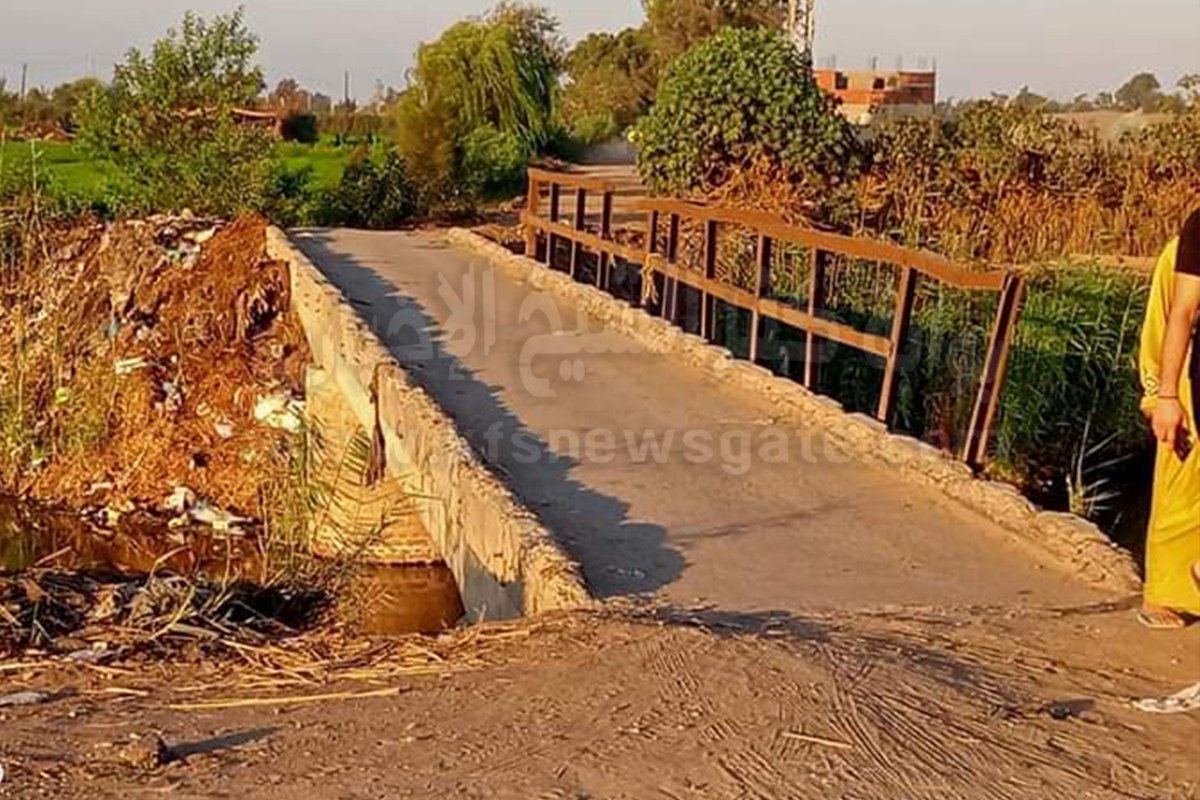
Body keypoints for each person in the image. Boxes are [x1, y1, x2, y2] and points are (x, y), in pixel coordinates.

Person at [1139, 208, 1200, 628]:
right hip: (1186, 380)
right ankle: (1165, 594)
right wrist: (1162, 393)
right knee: (1180, 488)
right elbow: (1169, 319)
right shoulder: (1184, 246)